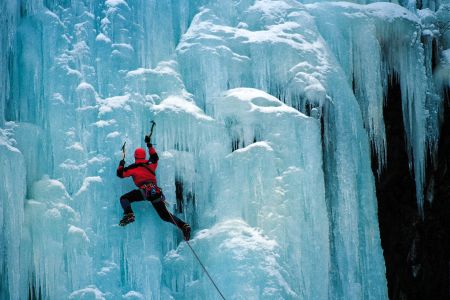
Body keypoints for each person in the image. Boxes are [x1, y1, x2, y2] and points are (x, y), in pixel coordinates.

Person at [116, 135, 191, 240]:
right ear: (143, 156)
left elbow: (120, 174)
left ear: (135, 156)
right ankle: (183, 226)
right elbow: (155, 156)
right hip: (155, 192)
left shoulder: (133, 167)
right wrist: (149, 144)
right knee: (165, 215)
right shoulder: (150, 164)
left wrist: (121, 163)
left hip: (144, 191)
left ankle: (129, 214)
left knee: (124, 198)